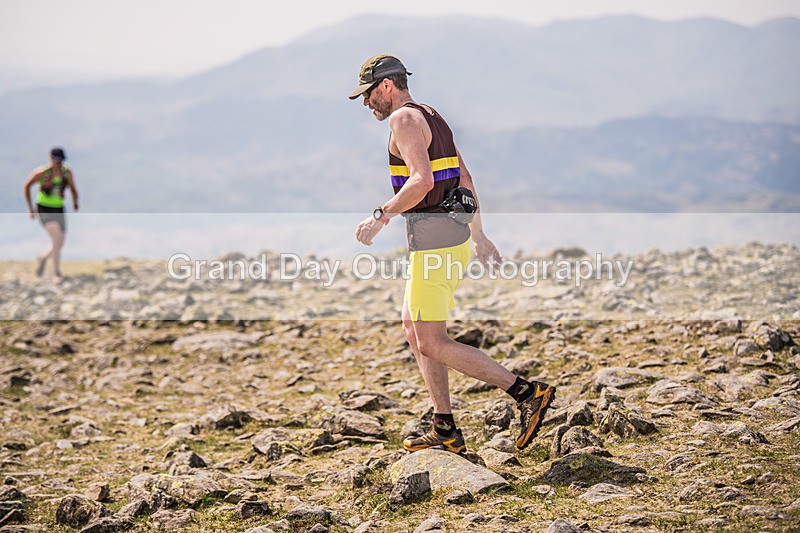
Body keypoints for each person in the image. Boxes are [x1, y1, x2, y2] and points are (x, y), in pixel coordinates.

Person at [351, 54, 556, 454]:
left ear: (387, 86)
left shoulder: (404, 120)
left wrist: (381, 216)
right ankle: (444, 427)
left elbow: (422, 180)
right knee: (414, 331)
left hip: (434, 245)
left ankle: (528, 393)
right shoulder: (432, 116)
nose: (366, 103)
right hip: (449, 240)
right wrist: (479, 235)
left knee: (431, 341)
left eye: (368, 94)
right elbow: (464, 176)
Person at [23, 147, 79, 283]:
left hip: (59, 208)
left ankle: (42, 257)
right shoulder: (42, 173)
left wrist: (75, 201)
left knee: (60, 242)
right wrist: (31, 208)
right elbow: (27, 186)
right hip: (44, 208)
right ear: (50, 159)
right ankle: (56, 272)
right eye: (55, 160)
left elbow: (72, 188)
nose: (57, 163)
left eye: (60, 161)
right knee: (56, 238)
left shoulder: (67, 172)